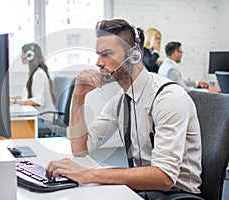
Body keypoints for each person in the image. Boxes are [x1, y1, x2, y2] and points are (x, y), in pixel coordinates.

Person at [46, 19, 202, 198]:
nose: (98, 63)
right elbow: (80, 149)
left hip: (178, 195)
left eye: (106, 54)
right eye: (98, 54)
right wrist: (78, 96)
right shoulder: (121, 101)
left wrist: (88, 174)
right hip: (146, 191)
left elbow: (164, 177)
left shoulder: (168, 98)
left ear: (134, 56)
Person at [10, 43, 56, 123]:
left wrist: (15, 102)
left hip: (45, 119)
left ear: (30, 55)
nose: (21, 57)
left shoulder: (39, 74)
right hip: (39, 116)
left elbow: (38, 101)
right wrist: (11, 98)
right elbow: (26, 95)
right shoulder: (34, 73)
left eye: (22, 54)